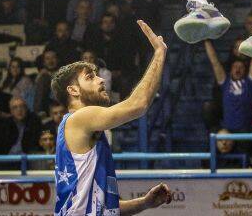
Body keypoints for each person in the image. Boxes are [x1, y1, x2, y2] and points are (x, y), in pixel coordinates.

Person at [51, 20, 171, 214]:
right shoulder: (81, 117)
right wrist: (159, 52)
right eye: (90, 77)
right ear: (73, 90)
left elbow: (104, 208)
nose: (100, 79)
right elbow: (138, 104)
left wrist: (144, 203)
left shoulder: (82, 127)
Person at [204, 39, 252, 133]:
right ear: (230, 70)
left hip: (245, 131)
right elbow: (214, 61)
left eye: (241, 67)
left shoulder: (250, 83)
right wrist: (206, 39)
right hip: (228, 132)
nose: (237, 69)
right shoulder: (225, 82)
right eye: (235, 67)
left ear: (245, 71)